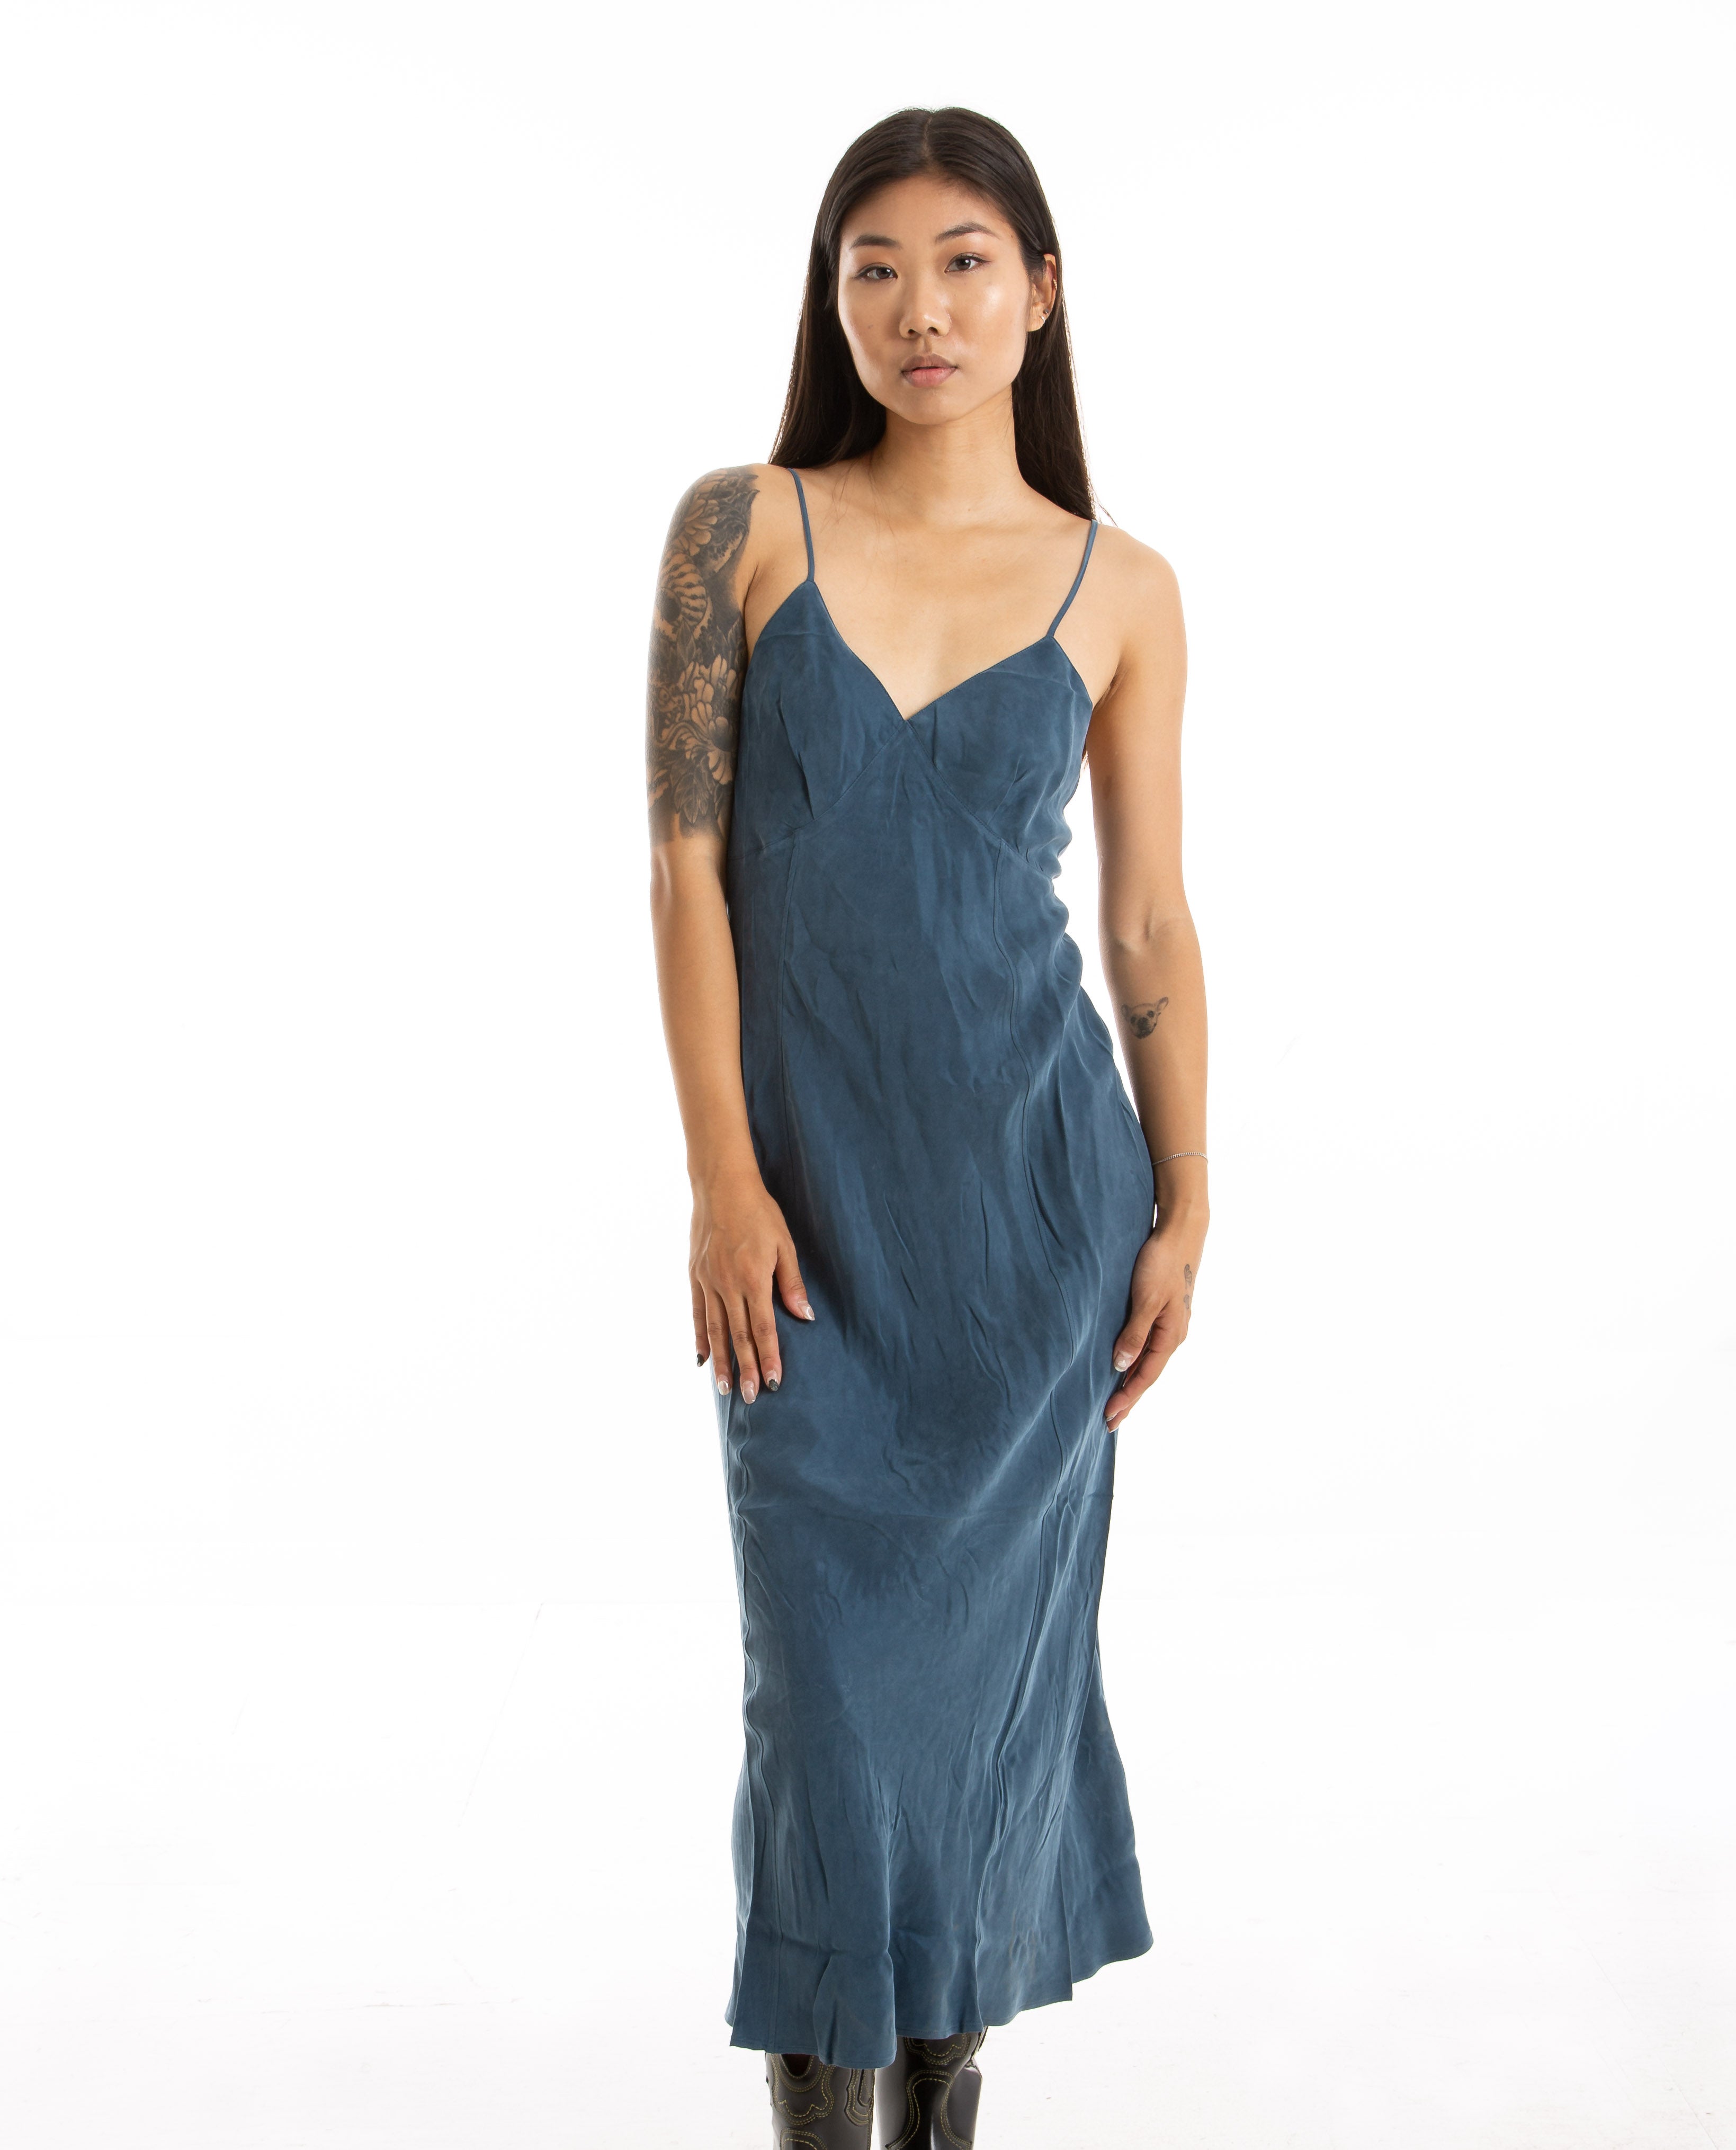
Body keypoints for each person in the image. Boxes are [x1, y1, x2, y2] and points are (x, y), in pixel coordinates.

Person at [645, 105, 1206, 2150]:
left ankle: (949, 2107)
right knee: (826, 1731)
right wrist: (722, 1177)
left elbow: (1145, 923)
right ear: (833, 301)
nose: (920, 308)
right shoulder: (739, 530)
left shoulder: (1121, 585)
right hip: (808, 1241)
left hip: (1038, 1229)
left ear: (1041, 292)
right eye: (872, 267)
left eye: (965, 261)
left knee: (982, 1722)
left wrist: (1187, 1205)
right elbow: (682, 871)